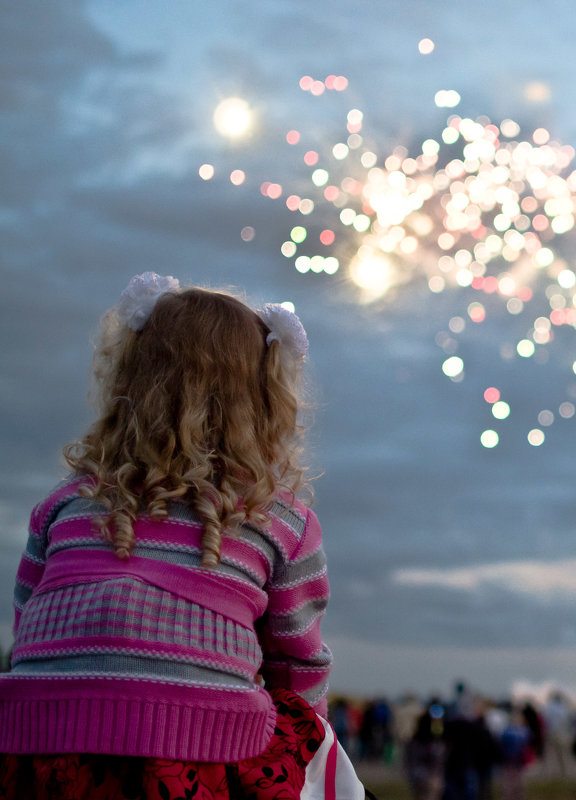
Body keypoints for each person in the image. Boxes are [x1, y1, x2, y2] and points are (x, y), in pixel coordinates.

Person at [0, 274, 364, 799]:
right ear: (264, 398)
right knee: (303, 725)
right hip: (192, 760)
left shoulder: (65, 503)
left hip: (39, 752)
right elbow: (299, 668)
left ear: (131, 377)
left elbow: (27, 627)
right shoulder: (279, 519)